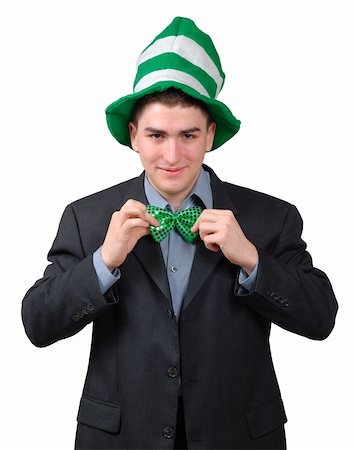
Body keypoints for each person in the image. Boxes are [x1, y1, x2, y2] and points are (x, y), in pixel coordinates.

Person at [21, 16, 338, 450]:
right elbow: (38, 324)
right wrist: (104, 261)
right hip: (122, 439)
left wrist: (252, 260)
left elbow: (320, 318)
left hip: (237, 438)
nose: (172, 155)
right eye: (156, 135)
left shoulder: (271, 217)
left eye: (188, 135)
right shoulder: (87, 216)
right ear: (134, 136)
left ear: (210, 134)